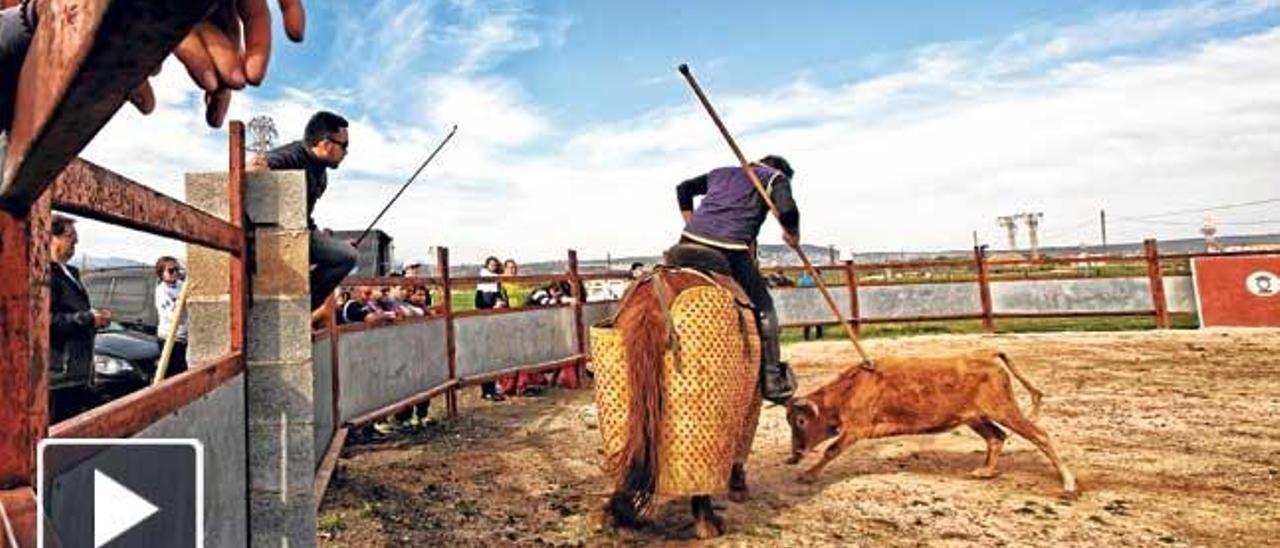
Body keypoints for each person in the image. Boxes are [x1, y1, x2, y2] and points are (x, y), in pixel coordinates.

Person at [668, 155, 800, 404]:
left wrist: (693, 223)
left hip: (686, 243)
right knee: (765, 308)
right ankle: (772, 381)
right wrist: (793, 233)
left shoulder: (722, 172)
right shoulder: (775, 178)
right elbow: (788, 210)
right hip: (728, 249)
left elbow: (683, 188)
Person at [251, 111, 358, 313]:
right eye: (344, 146)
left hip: (301, 232)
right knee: (345, 255)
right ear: (326, 144)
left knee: (345, 255)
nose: (346, 152)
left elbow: (305, 215)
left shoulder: (321, 173)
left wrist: (331, 246)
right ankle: (295, 309)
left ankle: (300, 309)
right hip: (269, 237)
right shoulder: (292, 156)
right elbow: (251, 169)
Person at [49, 215, 111, 421]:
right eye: (70, 236)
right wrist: (88, 318)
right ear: (51, 238)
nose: (75, 241)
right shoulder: (43, 272)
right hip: (59, 374)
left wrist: (96, 318)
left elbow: (73, 311)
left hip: (80, 370)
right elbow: (46, 321)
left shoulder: (71, 272)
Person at [474, 256, 506, 401]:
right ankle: (487, 390)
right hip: (486, 321)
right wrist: (494, 306)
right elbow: (483, 302)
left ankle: (491, 388)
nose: (493, 267)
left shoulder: (495, 281)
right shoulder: (486, 282)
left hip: (493, 321)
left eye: (495, 264)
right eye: (491, 265)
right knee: (488, 356)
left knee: (494, 356)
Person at [153, 256, 190, 377]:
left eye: (177, 269)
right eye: (171, 270)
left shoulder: (182, 285)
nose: (175, 273)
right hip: (169, 338)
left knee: (183, 371)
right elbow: (173, 316)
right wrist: (182, 304)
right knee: (173, 373)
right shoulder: (161, 292)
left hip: (184, 337)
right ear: (161, 273)